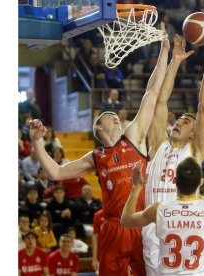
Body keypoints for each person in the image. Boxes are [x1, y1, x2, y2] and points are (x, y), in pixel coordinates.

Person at [29, 23, 171, 276]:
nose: (115, 117)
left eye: (115, 115)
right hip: (114, 227)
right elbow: (56, 173)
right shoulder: (96, 156)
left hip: (141, 222)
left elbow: (151, 93)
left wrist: (163, 54)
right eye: (108, 116)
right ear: (98, 130)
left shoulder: (133, 137)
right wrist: (37, 142)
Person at [142, 37, 204, 276]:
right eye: (178, 120)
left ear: (192, 134)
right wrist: (175, 61)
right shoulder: (158, 145)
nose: (178, 121)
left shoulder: (194, 151)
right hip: (153, 225)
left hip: (183, 224)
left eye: (185, 122)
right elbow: (160, 102)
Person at [121, 159, 204, 275]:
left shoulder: (159, 209)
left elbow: (126, 221)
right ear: (201, 182)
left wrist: (136, 188)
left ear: (174, 181)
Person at [92, 209, 105, 274]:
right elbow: (95, 237)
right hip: (101, 256)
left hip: (118, 255)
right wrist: (94, 258)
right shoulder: (98, 215)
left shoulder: (120, 214)